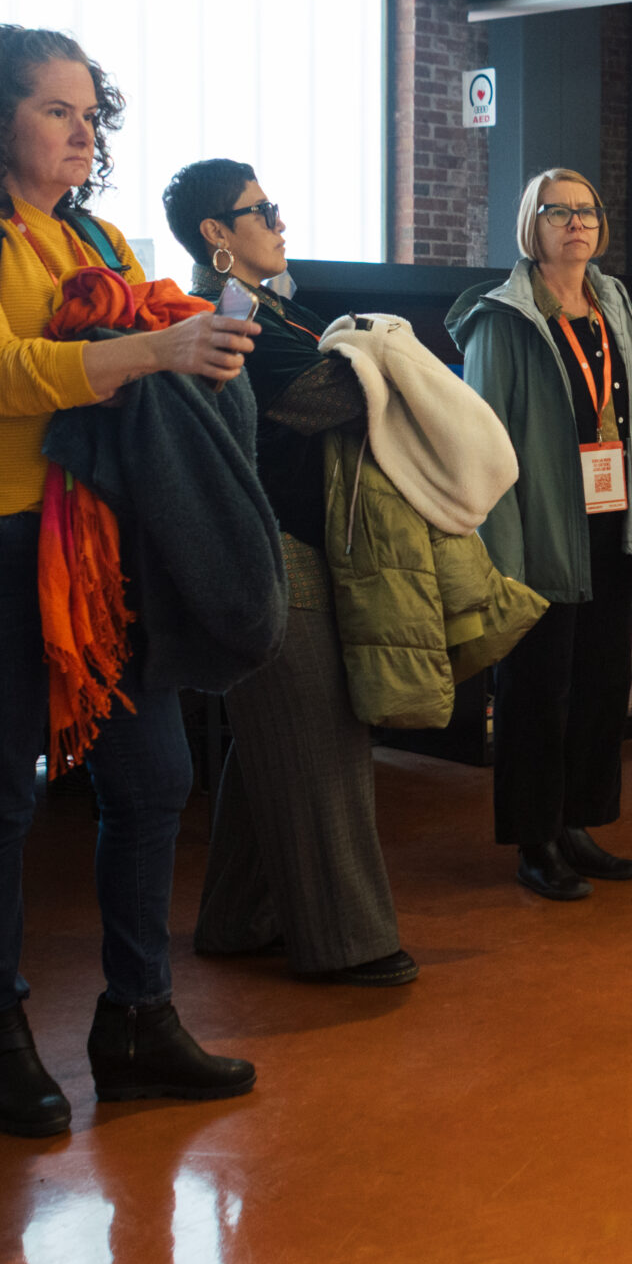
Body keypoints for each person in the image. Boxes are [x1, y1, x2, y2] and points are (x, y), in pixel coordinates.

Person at [0, 25, 260, 1136]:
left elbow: (146, 354)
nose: (85, 131)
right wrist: (154, 352)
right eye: (56, 110)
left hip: (86, 541)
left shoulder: (89, 231)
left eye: (93, 112)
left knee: (150, 777)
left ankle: (136, 1022)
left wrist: (202, 336)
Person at [168, 159, 417, 988]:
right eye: (259, 209)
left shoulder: (272, 309)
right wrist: (390, 364)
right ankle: (348, 939)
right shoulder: (221, 317)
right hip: (266, 549)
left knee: (284, 733)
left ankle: (239, 918)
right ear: (216, 234)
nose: (278, 220)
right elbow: (338, 396)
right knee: (324, 733)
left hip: (295, 542)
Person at [448, 168, 632, 902]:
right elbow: (483, 446)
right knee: (536, 692)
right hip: (541, 533)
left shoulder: (612, 303)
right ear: (532, 223)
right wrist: (502, 556)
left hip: (611, 527)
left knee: (601, 683)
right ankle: (534, 839)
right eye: (559, 211)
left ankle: (578, 822)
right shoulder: (502, 319)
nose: (576, 223)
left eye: (586, 211)